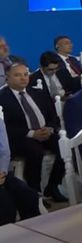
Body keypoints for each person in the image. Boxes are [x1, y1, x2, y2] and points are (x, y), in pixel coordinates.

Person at [0, 63, 66, 201]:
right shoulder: (2, 97)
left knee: (64, 146)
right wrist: (32, 134)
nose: (23, 78)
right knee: (35, 151)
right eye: (17, 75)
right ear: (7, 77)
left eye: (25, 74)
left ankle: (53, 186)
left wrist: (50, 128)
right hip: (20, 137)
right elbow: (6, 126)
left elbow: (53, 116)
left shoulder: (38, 92)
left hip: (45, 132)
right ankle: (34, 193)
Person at [0, 115, 40, 226]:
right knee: (6, 205)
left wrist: (2, 172)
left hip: (2, 175)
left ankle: (30, 231)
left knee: (29, 196)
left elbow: (4, 152)